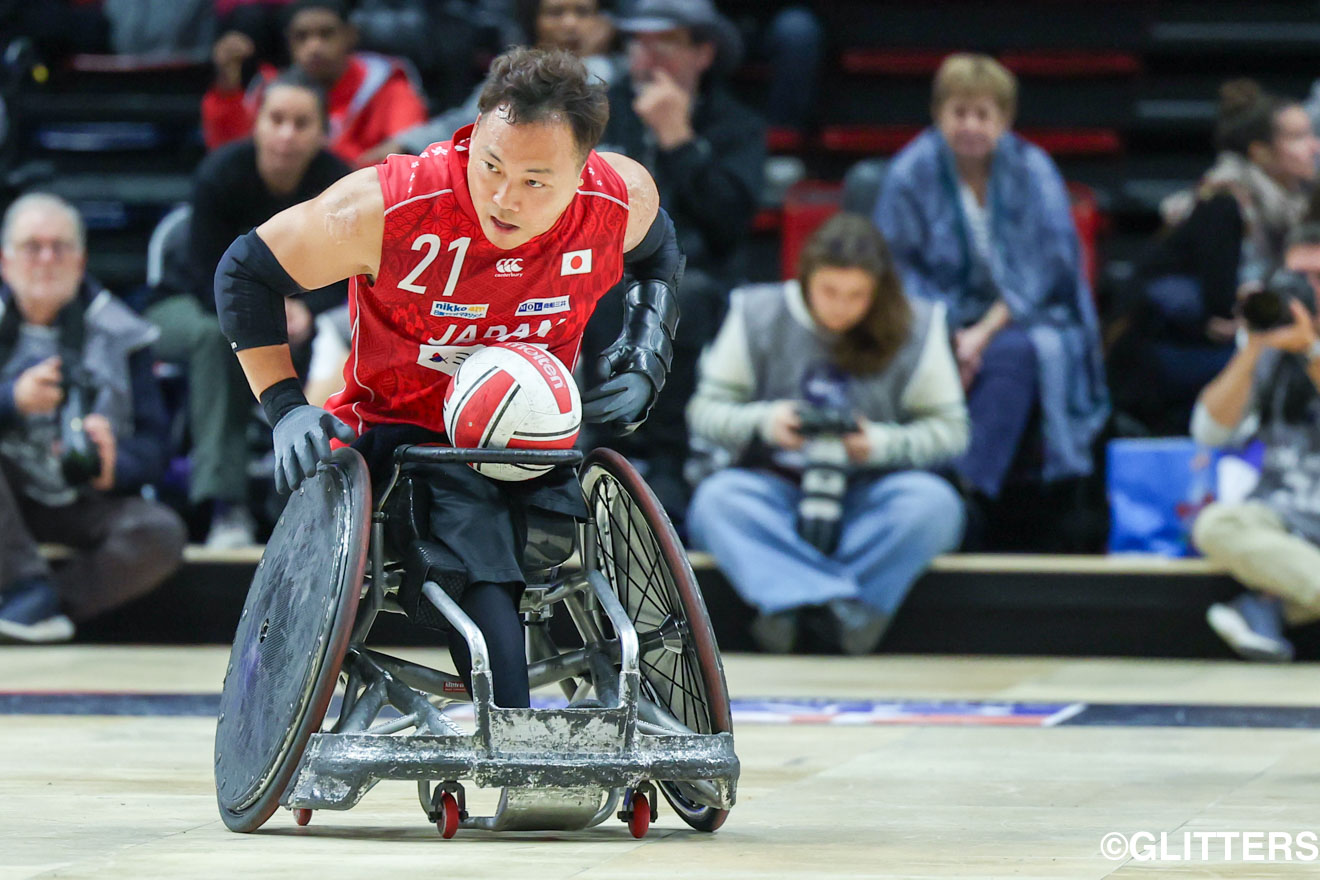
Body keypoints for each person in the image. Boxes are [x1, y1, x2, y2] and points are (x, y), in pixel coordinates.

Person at [213, 47, 681, 710]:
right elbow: (244, 270)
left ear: (581, 173)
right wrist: (285, 406)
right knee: (475, 532)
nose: (504, 197)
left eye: (535, 182)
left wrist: (645, 356)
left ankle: (610, 692)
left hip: (533, 435)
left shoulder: (618, 198)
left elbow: (660, 258)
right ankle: (513, 722)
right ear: (475, 132)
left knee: (562, 532)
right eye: (491, 166)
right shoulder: (391, 204)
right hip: (402, 432)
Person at [686, 214, 967, 654]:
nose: (840, 306)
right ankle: (846, 611)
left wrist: (880, 444)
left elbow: (951, 430)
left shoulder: (918, 322)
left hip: (870, 491)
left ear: (878, 291)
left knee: (934, 505)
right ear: (805, 279)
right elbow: (704, 412)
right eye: (829, 291)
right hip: (777, 487)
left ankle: (794, 606)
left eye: (857, 295)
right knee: (717, 501)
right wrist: (766, 422)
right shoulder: (756, 311)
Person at [874, 53, 1108, 550]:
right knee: (931, 351)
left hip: (1023, 316)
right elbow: (897, 270)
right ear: (938, 114)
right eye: (959, 113)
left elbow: (1048, 271)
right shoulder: (910, 172)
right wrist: (946, 333)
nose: (971, 126)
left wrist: (980, 334)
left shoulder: (1033, 169)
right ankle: (941, 488)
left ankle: (966, 487)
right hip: (931, 317)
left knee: (1022, 352)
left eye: (983, 115)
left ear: (1005, 119)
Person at [148, 68, 351, 548]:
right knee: (218, 338)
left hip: (300, 312)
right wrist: (270, 314)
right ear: (256, 125)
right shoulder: (220, 174)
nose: (286, 134)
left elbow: (353, 271)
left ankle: (311, 500)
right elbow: (205, 276)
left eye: (301, 123)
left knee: (340, 338)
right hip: (187, 303)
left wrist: (308, 308)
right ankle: (226, 505)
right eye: (276, 119)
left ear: (322, 132)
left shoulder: (339, 182)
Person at [587, 0, 766, 521]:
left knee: (676, 295)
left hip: (699, 274)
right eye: (637, 42)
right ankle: (602, 442)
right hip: (604, 264)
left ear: (703, 53)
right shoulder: (599, 111)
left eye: (664, 42)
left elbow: (730, 224)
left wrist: (679, 141)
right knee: (600, 287)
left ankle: (668, 458)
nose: (647, 56)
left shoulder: (736, 125)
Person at [0, 194, 186, 643]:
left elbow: (155, 445)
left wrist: (115, 464)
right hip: (7, 502)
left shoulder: (124, 333)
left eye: (60, 247)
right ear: (5, 262)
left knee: (160, 534)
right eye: (32, 247)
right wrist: (12, 400)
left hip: (82, 499)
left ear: (81, 261)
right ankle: (27, 593)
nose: (47, 259)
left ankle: (39, 607)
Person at [1111, 80, 1320, 436]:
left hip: (1225, 333)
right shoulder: (1225, 202)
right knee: (1279, 362)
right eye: (1298, 137)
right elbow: (1221, 310)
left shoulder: (1296, 203)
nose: (1314, 146)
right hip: (1169, 348)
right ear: (1260, 152)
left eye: (1311, 134)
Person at [1191, 225, 1320, 662]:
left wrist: (1313, 351)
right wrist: (1253, 347)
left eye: (1318, 276)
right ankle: (1271, 605)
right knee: (1217, 525)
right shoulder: (1270, 344)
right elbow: (1209, 431)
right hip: (1283, 517)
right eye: (1297, 276)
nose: (1306, 288)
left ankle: (1267, 606)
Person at [370, 0, 623, 163]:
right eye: (555, 13)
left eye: (583, 13)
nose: (570, 24)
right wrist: (405, 143)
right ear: (534, 20)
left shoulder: (623, 72)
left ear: (602, 21)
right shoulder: (518, 69)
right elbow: (467, 120)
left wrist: (593, 60)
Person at [203, 0, 428, 167]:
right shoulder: (272, 89)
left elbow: (405, 166)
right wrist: (227, 93)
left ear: (350, 35)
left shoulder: (389, 88)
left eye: (326, 34)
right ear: (288, 42)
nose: (314, 47)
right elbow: (230, 160)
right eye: (302, 36)